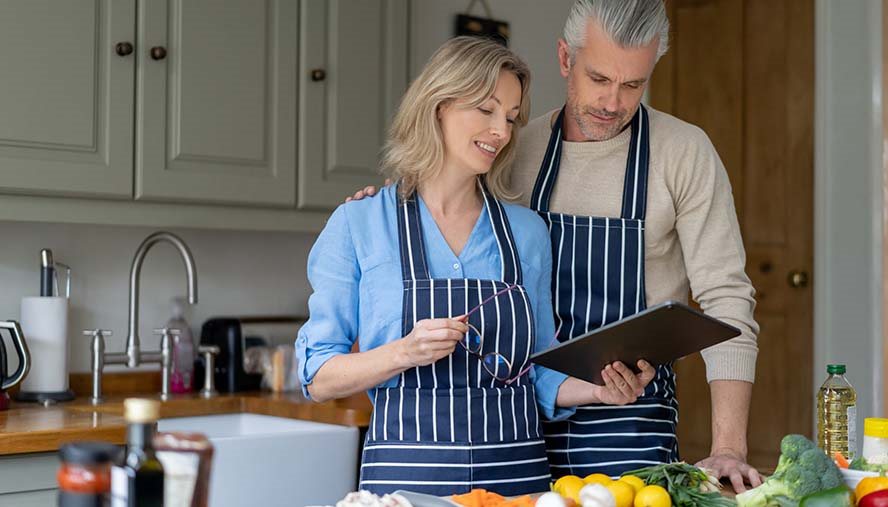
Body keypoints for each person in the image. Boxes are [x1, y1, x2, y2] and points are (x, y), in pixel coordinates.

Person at [349, 0, 763, 492]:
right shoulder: (513, 147)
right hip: (517, 426)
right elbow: (446, 210)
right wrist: (388, 204)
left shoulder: (683, 152)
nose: (613, 102)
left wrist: (728, 447)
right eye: (599, 79)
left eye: (633, 84)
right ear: (566, 60)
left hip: (628, 421)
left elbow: (727, 298)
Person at [296, 36, 649, 497]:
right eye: (485, 110)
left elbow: (537, 370)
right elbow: (317, 377)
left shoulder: (526, 233)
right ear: (438, 106)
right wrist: (405, 352)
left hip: (517, 483)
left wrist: (599, 391)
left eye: (510, 116)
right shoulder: (360, 224)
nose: (501, 131)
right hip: (406, 484)